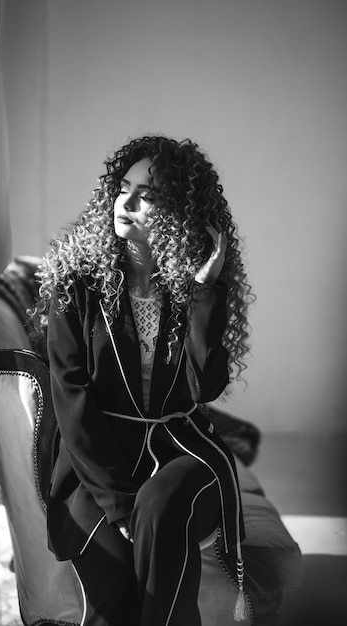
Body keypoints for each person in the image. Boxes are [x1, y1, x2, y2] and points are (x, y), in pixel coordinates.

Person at [35, 135, 254, 626]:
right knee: (118, 594)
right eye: (123, 188)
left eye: (147, 195)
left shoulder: (188, 288)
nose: (126, 203)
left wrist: (205, 293)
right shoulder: (77, 285)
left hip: (182, 448)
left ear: (178, 212)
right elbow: (72, 400)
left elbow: (204, 390)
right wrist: (118, 504)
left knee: (161, 504)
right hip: (97, 463)